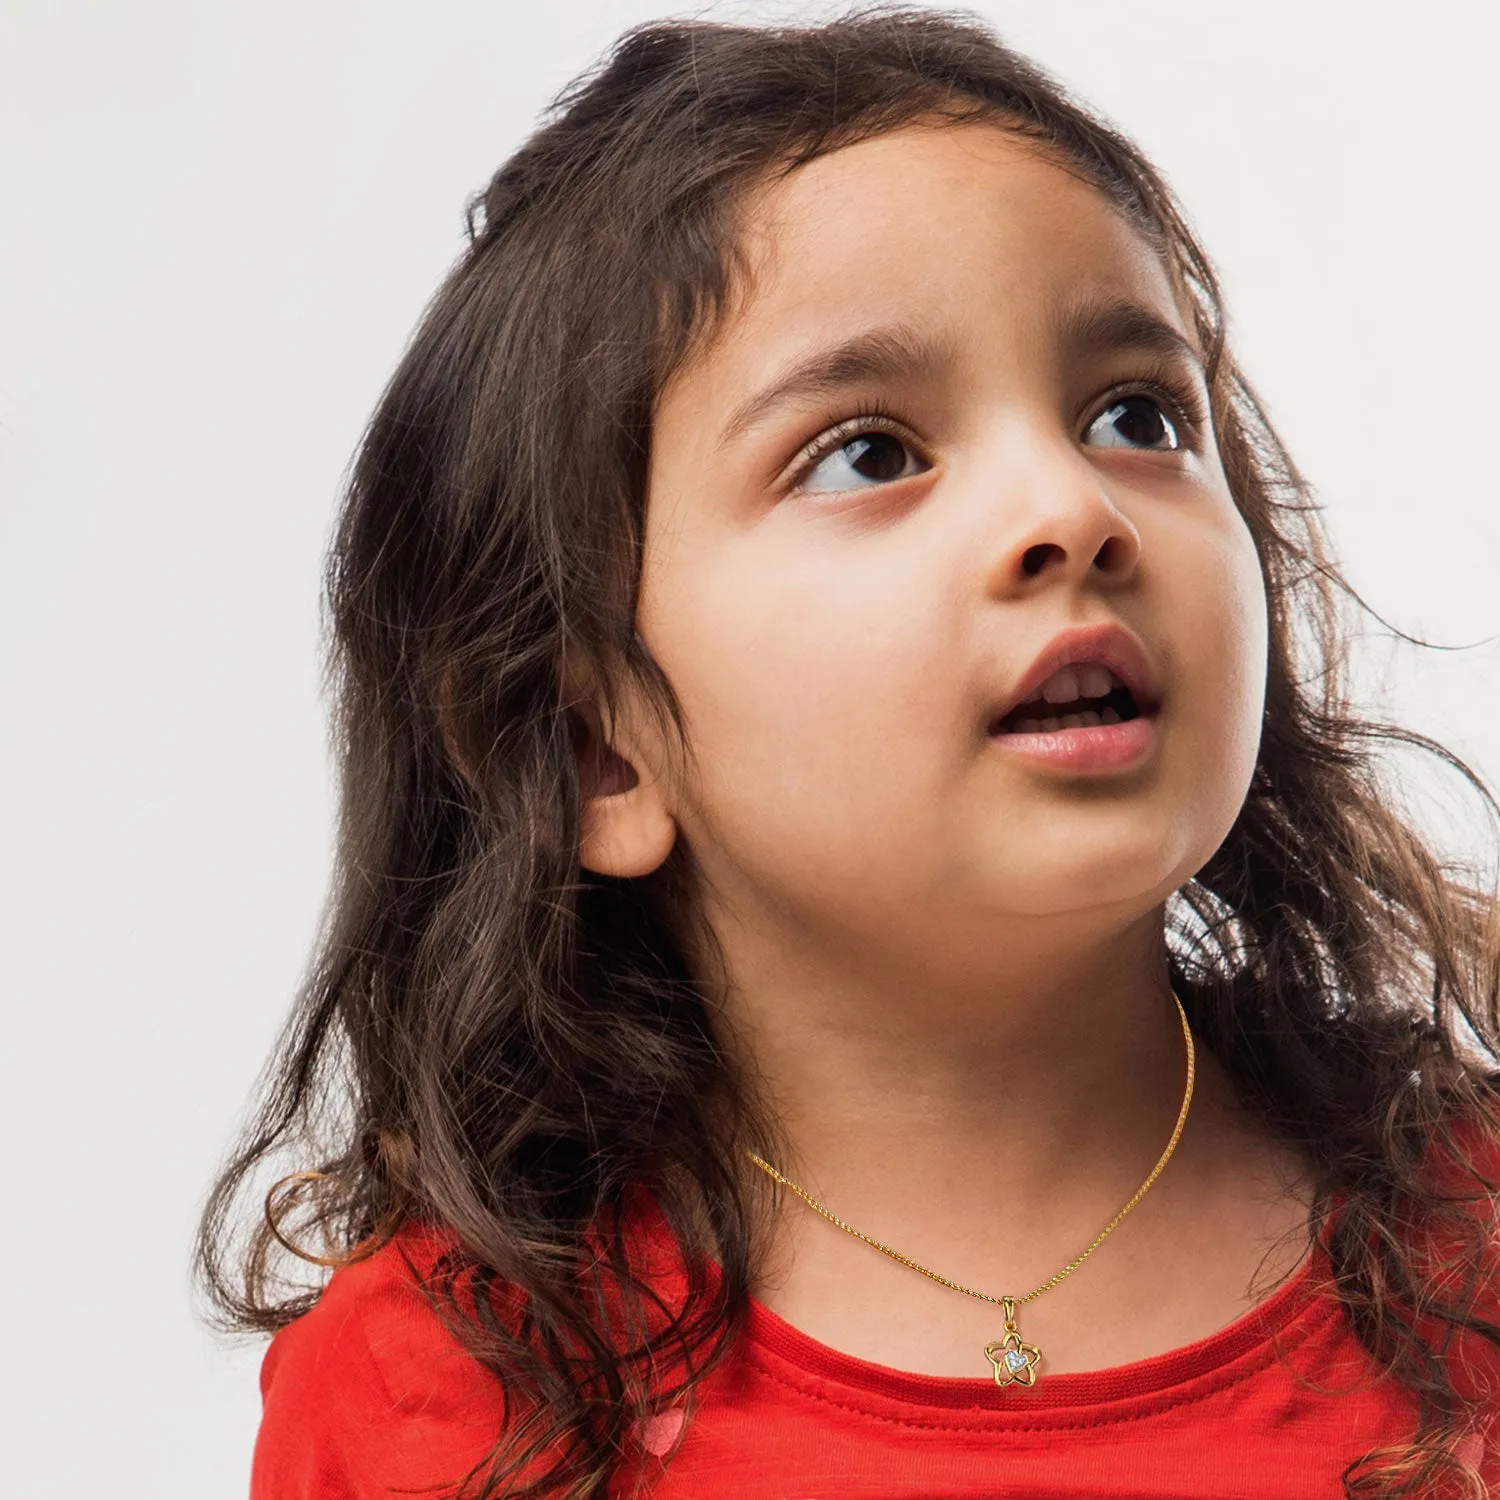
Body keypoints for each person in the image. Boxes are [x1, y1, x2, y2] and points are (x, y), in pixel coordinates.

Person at [196, 8, 1500, 1497]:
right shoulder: (441, 1389)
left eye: (1136, 413)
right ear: (593, 752)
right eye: (870, 451)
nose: (1070, 508)